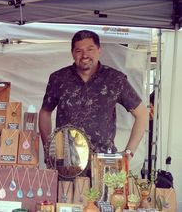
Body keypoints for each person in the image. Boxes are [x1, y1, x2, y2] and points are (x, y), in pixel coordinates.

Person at [39, 30, 149, 158]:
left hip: (103, 162)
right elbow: (45, 112)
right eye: (79, 51)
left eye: (90, 49)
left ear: (99, 50)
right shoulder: (58, 79)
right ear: (73, 53)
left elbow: (142, 114)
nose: (85, 55)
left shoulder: (115, 79)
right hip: (66, 161)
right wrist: (48, 150)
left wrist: (128, 153)